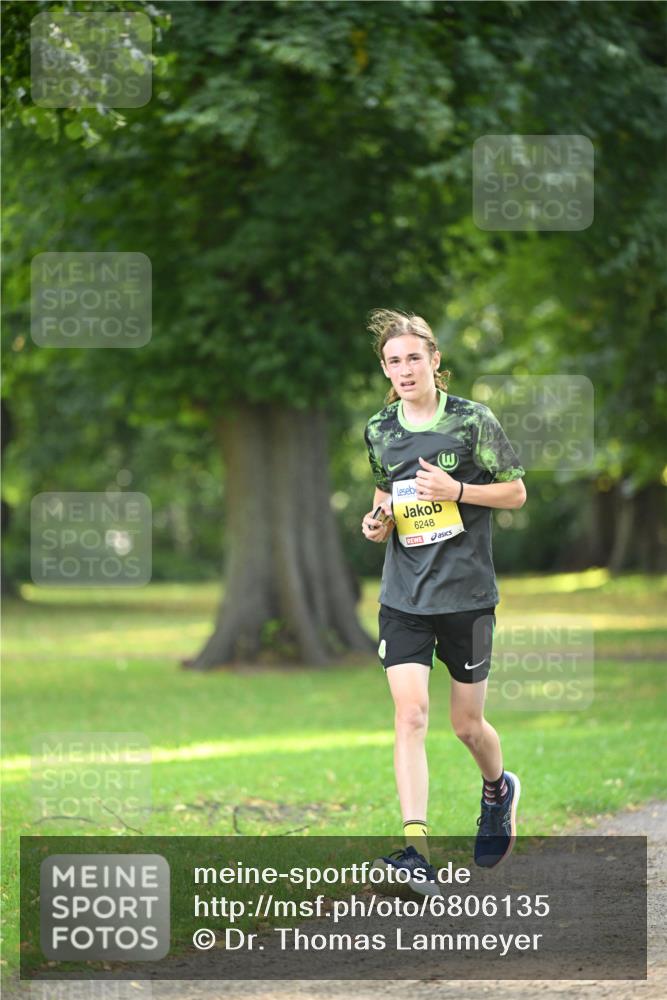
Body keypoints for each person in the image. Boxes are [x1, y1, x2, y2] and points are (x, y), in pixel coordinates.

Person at [362, 308, 526, 895]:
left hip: (467, 597)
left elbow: (516, 492)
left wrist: (457, 489)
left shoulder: (473, 420)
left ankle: (498, 790)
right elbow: (385, 493)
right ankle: (416, 850)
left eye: (413, 357)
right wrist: (377, 521)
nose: (405, 369)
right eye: (393, 361)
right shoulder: (380, 430)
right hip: (404, 596)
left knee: (466, 725)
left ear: (434, 360)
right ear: (386, 370)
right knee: (410, 715)